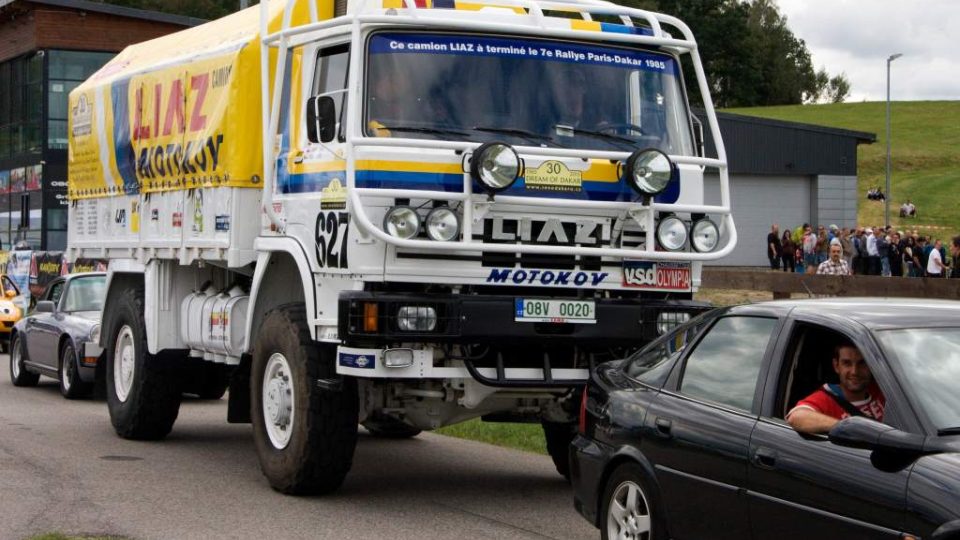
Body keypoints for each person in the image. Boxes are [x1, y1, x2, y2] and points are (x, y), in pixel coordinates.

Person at [787, 342, 885, 434]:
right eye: (847, 363)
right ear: (836, 366)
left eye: (862, 363)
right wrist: (848, 428)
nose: (854, 371)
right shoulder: (825, 398)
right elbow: (796, 417)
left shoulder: (881, 389)